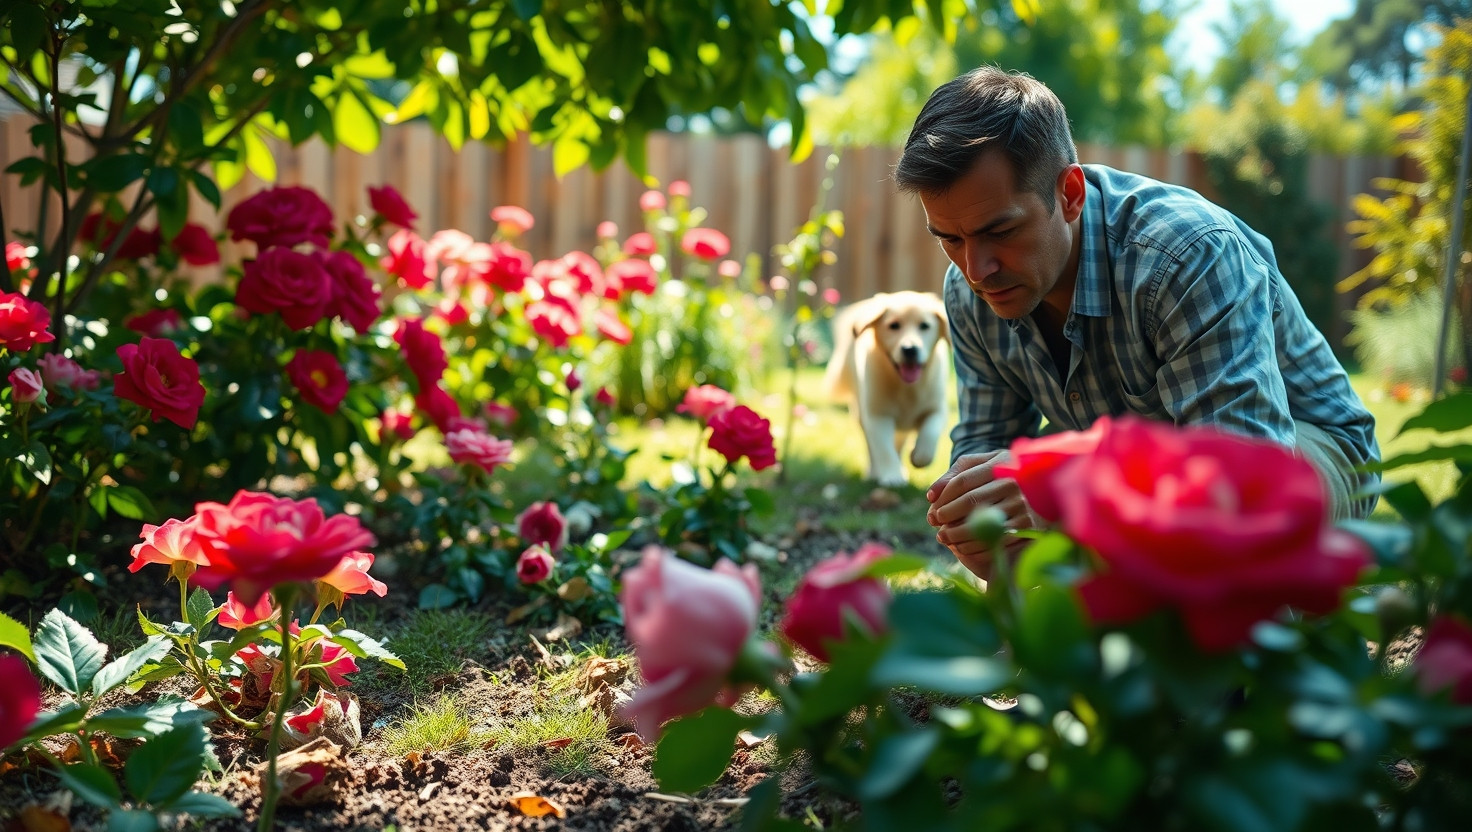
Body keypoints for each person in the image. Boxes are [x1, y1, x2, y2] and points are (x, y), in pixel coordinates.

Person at [896, 67, 1380, 582]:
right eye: (949, 238)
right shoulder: (969, 292)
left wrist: (1061, 484)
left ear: (1070, 194)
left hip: (1298, 455)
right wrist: (977, 517)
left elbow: (1241, 473)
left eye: (1001, 230)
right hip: (1134, 479)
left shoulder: (1186, 256)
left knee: (1215, 553)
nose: (976, 269)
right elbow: (985, 440)